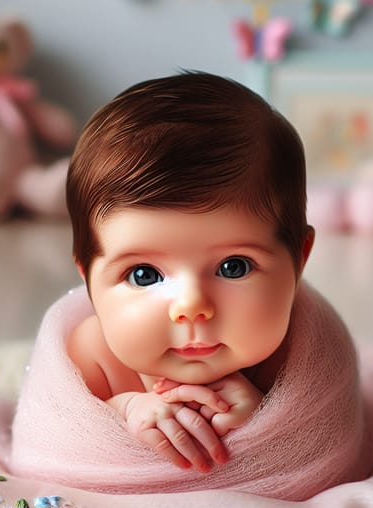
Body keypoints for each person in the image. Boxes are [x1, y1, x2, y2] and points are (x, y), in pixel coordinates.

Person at [65, 72, 314, 476]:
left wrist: (264, 423)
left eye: (233, 267)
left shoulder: (297, 354)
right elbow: (55, 439)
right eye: (144, 274)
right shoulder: (93, 353)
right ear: (88, 279)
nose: (192, 308)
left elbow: (329, 451)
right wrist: (122, 411)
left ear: (299, 260)